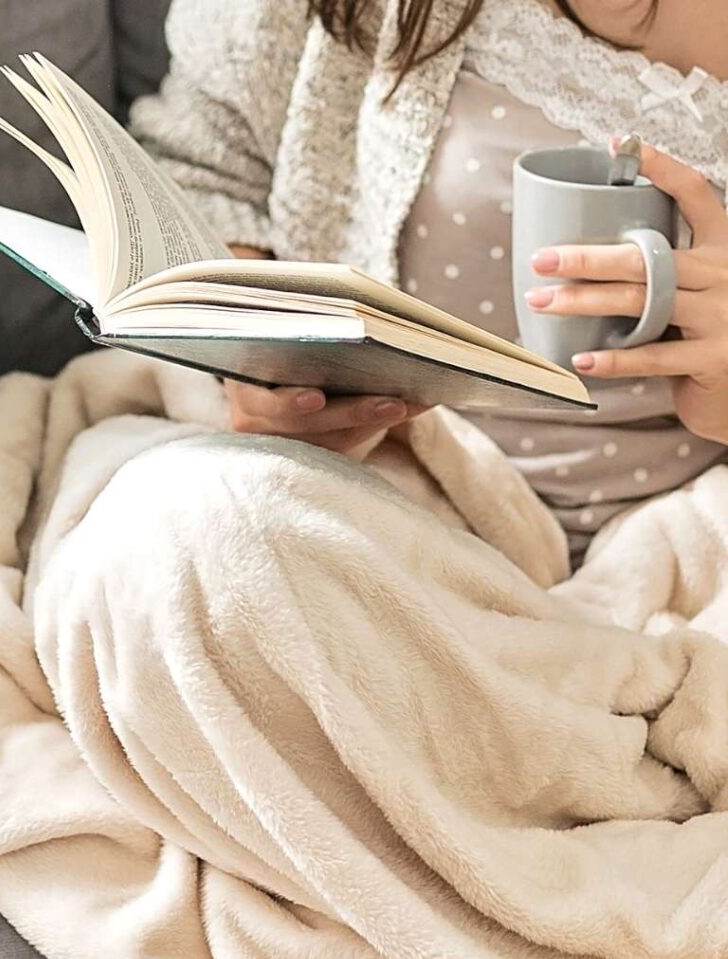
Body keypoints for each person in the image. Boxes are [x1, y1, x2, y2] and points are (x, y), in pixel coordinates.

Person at [131, 0, 728, 565]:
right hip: (389, 496)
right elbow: (204, 169)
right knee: (205, 533)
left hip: (687, 543)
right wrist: (253, 346)